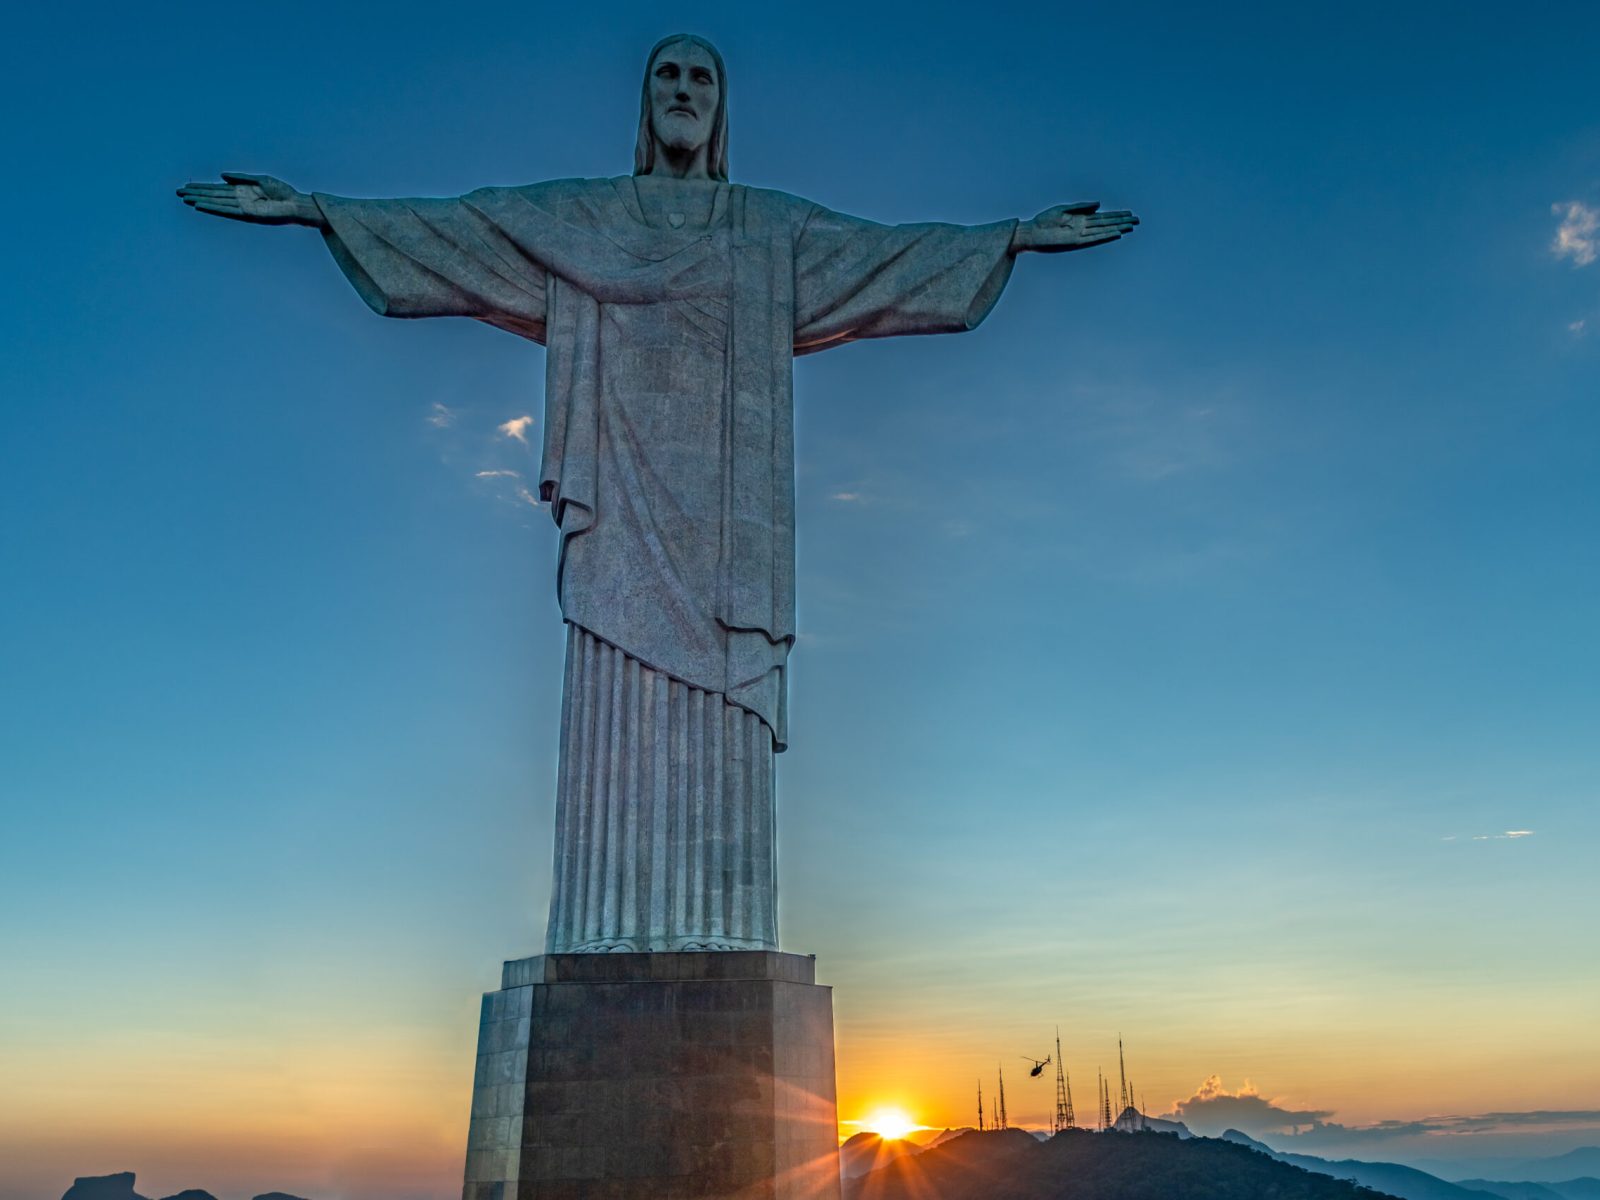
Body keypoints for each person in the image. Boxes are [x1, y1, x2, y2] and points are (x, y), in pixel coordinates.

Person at [177, 33, 1138, 954]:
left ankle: (722, 935)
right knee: (611, 698)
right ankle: (601, 931)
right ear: (646, 101)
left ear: (721, 111)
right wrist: (316, 210)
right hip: (620, 518)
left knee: (723, 721)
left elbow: (886, 257)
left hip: (731, 531)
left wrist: (1010, 238)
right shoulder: (582, 219)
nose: (683, 90)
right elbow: (459, 228)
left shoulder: (771, 230)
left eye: (702, 80)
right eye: (667, 75)